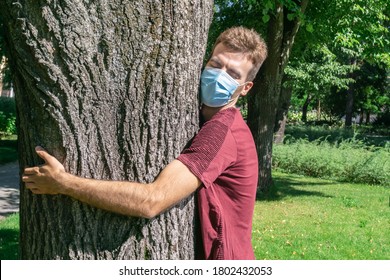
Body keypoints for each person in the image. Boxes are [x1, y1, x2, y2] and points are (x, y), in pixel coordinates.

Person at [22, 26, 268, 260]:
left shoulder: (221, 133)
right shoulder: (211, 121)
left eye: (233, 73)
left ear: (245, 88)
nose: (220, 75)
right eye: (216, 64)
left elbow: (152, 200)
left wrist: (63, 183)